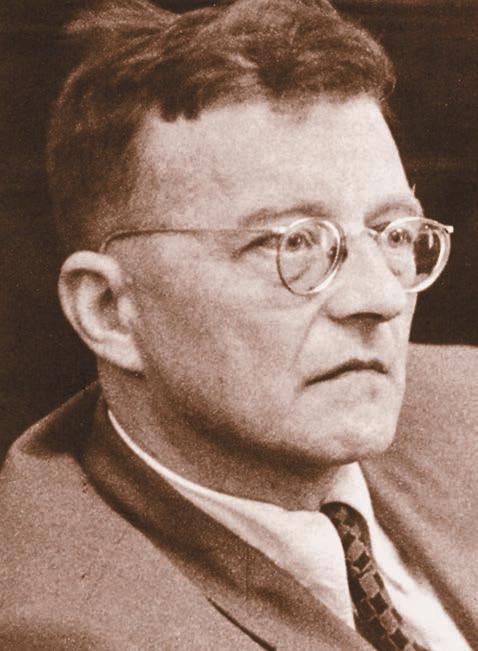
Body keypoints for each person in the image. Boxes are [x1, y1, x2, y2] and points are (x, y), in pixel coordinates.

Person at [0, 0, 476, 648]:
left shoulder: (467, 402)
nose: (381, 298)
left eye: (393, 232)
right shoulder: (62, 626)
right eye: (293, 243)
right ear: (109, 310)